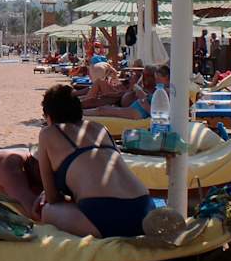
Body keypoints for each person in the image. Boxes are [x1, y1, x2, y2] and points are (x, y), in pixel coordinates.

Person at [34, 84, 152, 238]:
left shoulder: (48, 133)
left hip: (105, 215)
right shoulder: (100, 128)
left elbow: (52, 197)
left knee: (47, 210)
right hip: (145, 206)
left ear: (49, 116)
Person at [86, 65, 168, 120]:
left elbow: (155, 114)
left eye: (158, 78)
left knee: (102, 110)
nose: (156, 81)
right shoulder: (158, 89)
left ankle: (77, 114)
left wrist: (142, 98)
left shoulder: (165, 92)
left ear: (166, 78)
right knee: (102, 108)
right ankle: (79, 113)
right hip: (135, 108)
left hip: (138, 112)